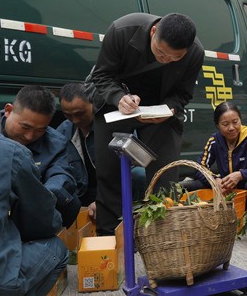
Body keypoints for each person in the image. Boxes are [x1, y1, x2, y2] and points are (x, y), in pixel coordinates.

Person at [84, 12, 204, 236]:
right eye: (160, 52)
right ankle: (111, 236)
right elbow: (101, 75)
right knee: (109, 171)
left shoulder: (195, 53)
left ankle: (164, 238)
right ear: (153, 32)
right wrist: (119, 97)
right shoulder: (122, 30)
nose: (165, 59)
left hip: (159, 110)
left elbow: (182, 94)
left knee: (165, 173)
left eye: (174, 58)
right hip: (115, 104)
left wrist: (170, 109)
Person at [0, 92, 68, 294]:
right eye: (25, 127)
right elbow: (43, 223)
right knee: (56, 248)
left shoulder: (53, 143)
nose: (29, 136)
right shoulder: (10, 151)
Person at [56, 83, 147, 221]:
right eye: (68, 115)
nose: (74, 120)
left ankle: (134, 220)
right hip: (83, 194)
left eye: (79, 113)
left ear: (94, 104)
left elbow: (134, 165)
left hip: (115, 188)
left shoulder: (114, 124)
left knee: (139, 175)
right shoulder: (63, 132)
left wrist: (101, 200)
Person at [2, 85, 80, 228]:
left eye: (39, 130)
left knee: (71, 200)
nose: (29, 136)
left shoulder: (56, 144)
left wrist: (42, 197)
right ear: (8, 110)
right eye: (25, 127)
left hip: (31, 212)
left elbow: (61, 174)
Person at [183, 101, 247, 199]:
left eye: (235, 122)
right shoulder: (215, 141)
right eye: (225, 124)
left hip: (246, 185)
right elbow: (199, 168)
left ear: (240, 120)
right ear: (217, 126)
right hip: (226, 187)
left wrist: (241, 175)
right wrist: (214, 180)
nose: (231, 128)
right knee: (191, 186)